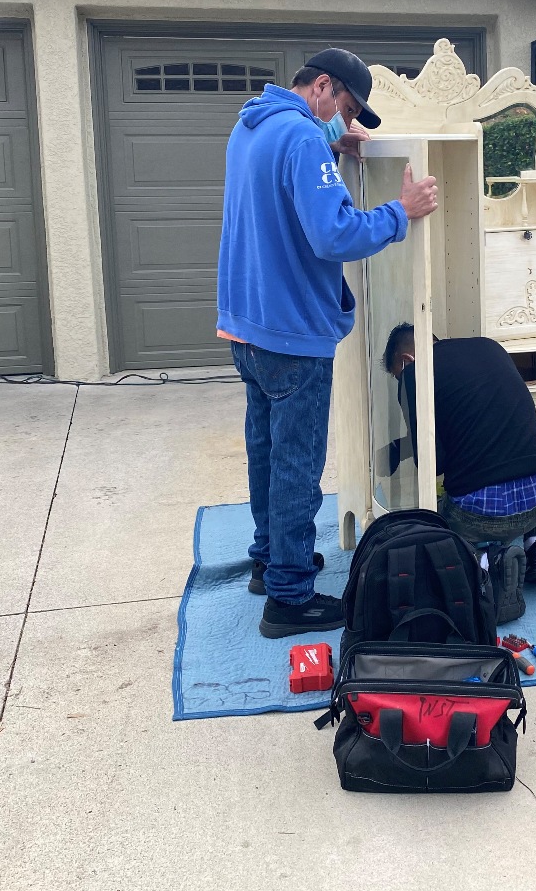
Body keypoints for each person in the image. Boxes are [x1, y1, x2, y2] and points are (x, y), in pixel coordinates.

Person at [216, 49, 438, 639]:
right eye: (345, 108)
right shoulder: (304, 141)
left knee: (265, 452)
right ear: (321, 88)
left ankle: (269, 561)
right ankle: (289, 597)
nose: (347, 121)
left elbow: (282, 195)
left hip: (248, 326)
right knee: (296, 465)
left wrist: (330, 147)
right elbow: (333, 233)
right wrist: (401, 211)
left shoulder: (252, 126)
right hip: (292, 334)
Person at [383, 325, 536, 583]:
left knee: (437, 518)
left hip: (482, 516)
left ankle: (487, 564)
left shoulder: (414, 376)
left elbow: (434, 464)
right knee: (523, 462)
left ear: (407, 360)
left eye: (398, 375)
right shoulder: (489, 347)